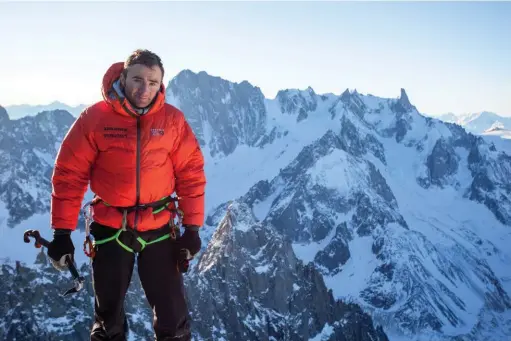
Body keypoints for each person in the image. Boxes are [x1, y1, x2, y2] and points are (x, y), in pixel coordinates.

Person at [46, 49, 206, 341]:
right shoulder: (95, 118)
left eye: (153, 82)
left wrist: (192, 228)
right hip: (110, 225)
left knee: (173, 317)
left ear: (161, 85)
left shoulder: (172, 121)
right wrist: (61, 232)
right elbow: (70, 174)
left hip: (158, 226)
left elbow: (190, 174)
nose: (144, 89)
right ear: (123, 77)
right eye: (137, 80)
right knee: (108, 319)